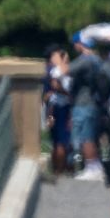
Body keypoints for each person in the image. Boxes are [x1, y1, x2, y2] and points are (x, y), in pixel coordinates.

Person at [68, 32, 109, 181]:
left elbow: (66, 71)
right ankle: (94, 166)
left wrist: (59, 60)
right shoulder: (98, 60)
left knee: (86, 136)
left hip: (84, 104)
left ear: (80, 44)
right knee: (90, 135)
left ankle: (92, 167)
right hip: (94, 104)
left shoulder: (86, 59)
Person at [42, 44, 72, 175]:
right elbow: (54, 86)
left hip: (53, 108)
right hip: (60, 108)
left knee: (57, 139)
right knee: (61, 139)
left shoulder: (47, 70)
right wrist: (69, 95)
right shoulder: (54, 70)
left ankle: (58, 169)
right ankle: (60, 169)